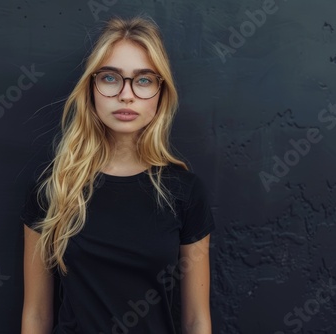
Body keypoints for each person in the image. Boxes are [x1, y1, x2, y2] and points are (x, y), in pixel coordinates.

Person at [20, 15, 215, 334]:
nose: (126, 95)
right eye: (110, 78)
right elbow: (36, 315)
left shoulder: (185, 192)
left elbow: (196, 320)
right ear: (92, 87)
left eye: (143, 79)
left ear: (160, 92)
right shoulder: (54, 187)